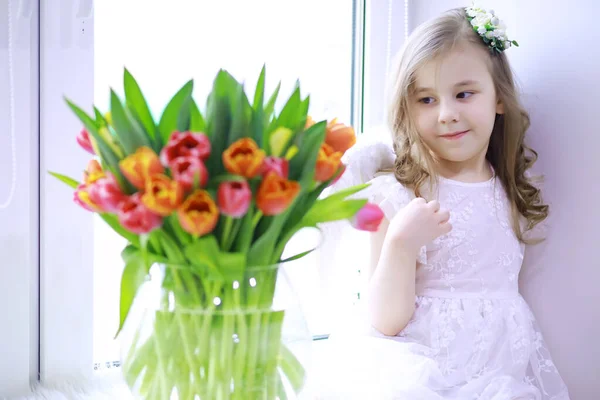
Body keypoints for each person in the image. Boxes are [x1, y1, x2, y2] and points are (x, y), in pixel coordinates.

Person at [311, 5, 570, 400]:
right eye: (426, 100)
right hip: (420, 373)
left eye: (464, 94)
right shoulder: (401, 192)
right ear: (406, 108)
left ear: (499, 98)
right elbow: (384, 321)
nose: (447, 114)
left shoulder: (511, 186)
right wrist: (400, 243)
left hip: (497, 375)